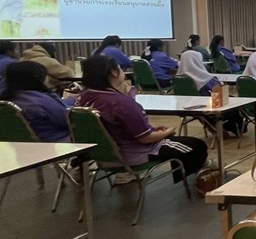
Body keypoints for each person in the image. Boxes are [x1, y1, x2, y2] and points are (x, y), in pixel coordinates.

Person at [77, 55, 208, 180]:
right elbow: (146, 138)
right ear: (114, 72)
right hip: (134, 154)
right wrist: (167, 132)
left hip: (101, 156)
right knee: (197, 146)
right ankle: (193, 180)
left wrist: (152, 129)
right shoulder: (122, 103)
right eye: (120, 68)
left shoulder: (83, 98)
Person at [0, 61, 74, 141]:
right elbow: (68, 120)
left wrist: (68, 100)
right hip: (56, 142)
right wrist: (74, 100)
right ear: (38, 78)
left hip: (19, 144)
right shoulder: (41, 101)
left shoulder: (9, 99)